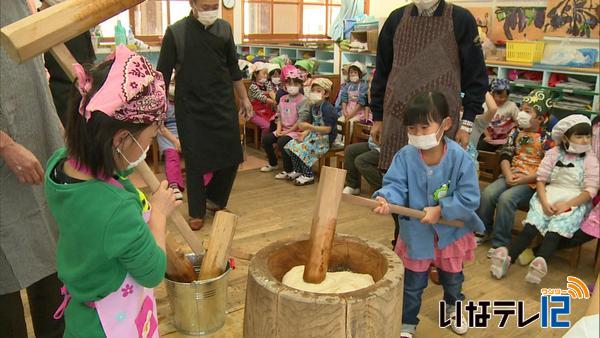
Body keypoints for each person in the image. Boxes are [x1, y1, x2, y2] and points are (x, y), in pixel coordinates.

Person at [44, 46, 180, 337]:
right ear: (120, 139)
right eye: (150, 139)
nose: (149, 148)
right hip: (109, 324)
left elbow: (116, 170)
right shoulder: (116, 209)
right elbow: (153, 271)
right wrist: (158, 213)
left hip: (80, 313)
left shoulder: (58, 166)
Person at [373, 91, 484, 337]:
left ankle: (454, 309)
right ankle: (407, 324)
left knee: (453, 280)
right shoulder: (405, 156)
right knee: (412, 285)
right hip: (417, 234)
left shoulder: (459, 159)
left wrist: (441, 209)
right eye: (412, 129)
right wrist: (386, 198)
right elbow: (395, 185)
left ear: (445, 124)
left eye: (425, 127)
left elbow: (470, 198)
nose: (418, 135)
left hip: (451, 234)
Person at [0, 2, 66, 337]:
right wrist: (5, 145)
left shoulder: (21, 5)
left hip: (38, 148)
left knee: (51, 268)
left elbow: (35, 73)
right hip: (6, 159)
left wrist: (53, 122)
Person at [158, 0, 252, 230]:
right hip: (190, 107)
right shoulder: (176, 33)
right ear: (192, 3)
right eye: (205, 6)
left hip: (222, 102)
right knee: (195, 159)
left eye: (213, 6)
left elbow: (233, 68)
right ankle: (196, 211)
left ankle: (215, 200)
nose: (210, 11)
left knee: (232, 155)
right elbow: (162, 75)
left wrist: (245, 98)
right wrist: (158, 109)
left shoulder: (224, 29)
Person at [370, 0, 488, 171]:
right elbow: (382, 72)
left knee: (438, 180)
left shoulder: (460, 19)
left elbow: (476, 77)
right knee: (395, 177)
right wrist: (378, 117)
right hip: (397, 120)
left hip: (440, 120)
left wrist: (467, 124)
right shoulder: (396, 19)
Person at [490, 115, 599, 284]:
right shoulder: (554, 153)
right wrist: (543, 200)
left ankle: (540, 263)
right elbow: (541, 179)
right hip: (549, 193)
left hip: (575, 198)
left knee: (554, 231)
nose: (585, 140)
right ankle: (507, 258)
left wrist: (567, 205)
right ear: (565, 137)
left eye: (588, 136)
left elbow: (590, 190)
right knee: (531, 226)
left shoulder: (590, 159)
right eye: (579, 136)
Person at [476, 89, 555, 253]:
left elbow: (549, 169)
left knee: (506, 199)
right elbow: (505, 154)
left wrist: (524, 180)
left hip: (531, 182)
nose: (521, 114)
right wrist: (508, 174)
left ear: (540, 118)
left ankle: (500, 243)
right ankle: (483, 230)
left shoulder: (548, 139)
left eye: (527, 111)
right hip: (510, 174)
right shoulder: (515, 132)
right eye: (521, 109)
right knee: (488, 193)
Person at [40, 0, 96, 125]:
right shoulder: (43, 24)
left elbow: (89, 67)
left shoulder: (76, 21)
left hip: (82, 98)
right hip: (63, 99)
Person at [285, 78, 338, 185]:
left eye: (318, 91)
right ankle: (299, 170)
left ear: (326, 93)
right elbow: (314, 123)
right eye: (313, 91)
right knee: (291, 145)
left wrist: (309, 127)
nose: (314, 93)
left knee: (303, 149)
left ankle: (308, 175)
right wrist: (304, 133)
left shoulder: (328, 108)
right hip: (314, 136)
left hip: (325, 140)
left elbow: (328, 129)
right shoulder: (314, 106)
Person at [260, 69, 310, 178]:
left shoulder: (303, 100)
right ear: (285, 85)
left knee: (282, 142)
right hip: (283, 129)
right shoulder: (283, 98)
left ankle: (289, 169)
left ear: (300, 85)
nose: (292, 86)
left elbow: (301, 120)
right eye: (289, 83)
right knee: (267, 139)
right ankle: (273, 164)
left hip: (297, 131)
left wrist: (287, 131)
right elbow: (279, 115)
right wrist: (278, 129)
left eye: (295, 84)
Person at [157, 82, 187, 200]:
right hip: (167, 134)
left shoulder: (186, 101)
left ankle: (205, 184)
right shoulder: (162, 104)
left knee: (198, 153)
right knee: (172, 155)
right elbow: (160, 127)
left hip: (185, 132)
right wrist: (175, 141)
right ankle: (174, 185)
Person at [477, 79, 519, 151]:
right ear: (492, 94)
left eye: (506, 97)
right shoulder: (486, 105)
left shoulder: (511, 106)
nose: (503, 99)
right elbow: (481, 123)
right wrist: (487, 135)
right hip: (490, 136)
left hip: (506, 139)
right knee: (479, 146)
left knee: (506, 150)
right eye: (500, 97)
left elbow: (518, 121)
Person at [248, 62, 277, 135]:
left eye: (266, 74)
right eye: (263, 73)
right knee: (268, 126)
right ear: (255, 74)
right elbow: (265, 99)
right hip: (255, 113)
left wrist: (276, 99)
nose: (266, 76)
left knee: (278, 122)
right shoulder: (253, 87)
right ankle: (264, 143)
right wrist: (275, 102)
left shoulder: (267, 83)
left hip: (267, 110)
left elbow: (271, 93)